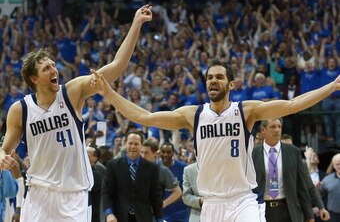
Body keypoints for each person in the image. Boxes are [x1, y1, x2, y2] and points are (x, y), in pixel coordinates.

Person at [91, 60, 340, 222]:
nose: (212, 80)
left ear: (230, 84)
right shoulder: (193, 114)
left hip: (243, 200)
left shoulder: (245, 110)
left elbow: (293, 104)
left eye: (219, 77)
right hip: (210, 204)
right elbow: (144, 116)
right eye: (209, 77)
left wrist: (332, 86)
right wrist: (109, 93)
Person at [0, 5, 153, 222]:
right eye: (47, 69)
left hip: (73, 195)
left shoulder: (72, 92)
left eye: (54, 65)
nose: (54, 70)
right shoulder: (20, 109)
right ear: (34, 79)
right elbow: (5, 148)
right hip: (38, 193)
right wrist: (1, 158)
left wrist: (136, 24)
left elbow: (117, 66)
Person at [253, 118, 329, 222]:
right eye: (273, 127)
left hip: (288, 210)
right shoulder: (253, 154)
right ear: (263, 130)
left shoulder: (293, 152)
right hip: (261, 210)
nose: (277, 130)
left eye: (279, 127)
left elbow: (306, 184)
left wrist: (320, 208)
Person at [102, 131, 163, 222]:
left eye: (136, 144)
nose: (133, 146)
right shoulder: (113, 165)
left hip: (143, 217)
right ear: (125, 144)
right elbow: (107, 192)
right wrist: (109, 213)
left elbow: (155, 196)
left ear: (141, 145)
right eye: (130, 143)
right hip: (118, 217)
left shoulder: (152, 168)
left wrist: (160, 218)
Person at [140, 139, 182, 209]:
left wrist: (162, 204)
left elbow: (178, 192)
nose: (143, 156)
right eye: (141, 152)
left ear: (155, 154)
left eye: (146, 153)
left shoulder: (162, 170)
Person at [159, 142, 189, 222]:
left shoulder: (183, 168)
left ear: (173, 153)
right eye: (163, 151)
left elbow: (186, 191)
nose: (165, 154)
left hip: (180, 213)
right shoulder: (154, 167)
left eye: (169, 152)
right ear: (159, 152)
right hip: (161, 213)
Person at [319, 153, 340, 222]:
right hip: (334, 216)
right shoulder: (327, 180)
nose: (339, 166)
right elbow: (320, 195)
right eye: (337, 164)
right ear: (333, 166)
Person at [86, 145, 104, 222]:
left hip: (91, 215)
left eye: (87, 152)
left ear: (95, 158)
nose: (84, 153)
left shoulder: (97, 175)